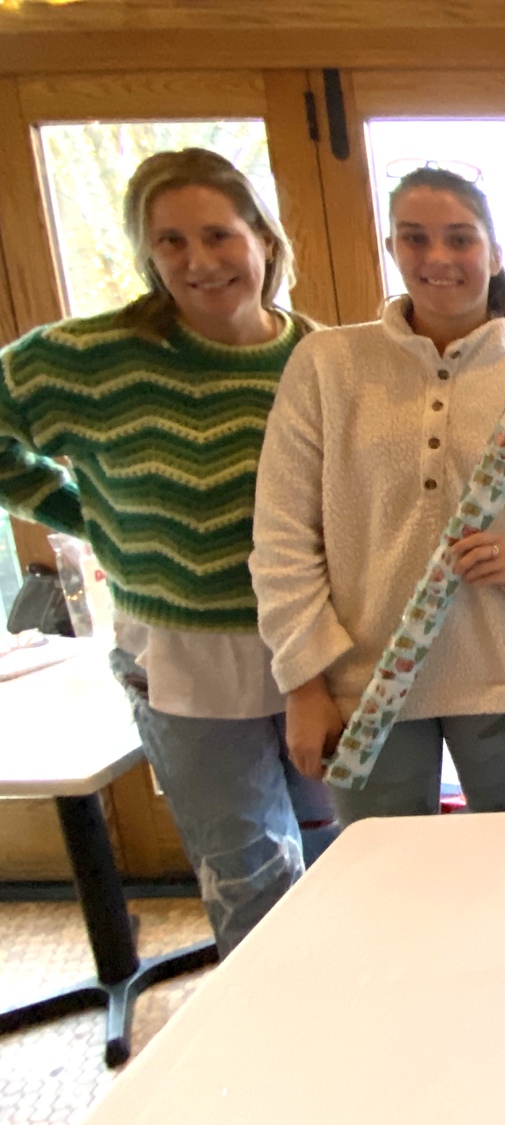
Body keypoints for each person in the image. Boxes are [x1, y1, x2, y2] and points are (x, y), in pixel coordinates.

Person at [0, 148, 332, 955]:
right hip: (183, 662)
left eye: (218, 234)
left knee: (338, 854)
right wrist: (90, 516)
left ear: (261, 238)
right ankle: (268, 1039)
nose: (200, 261)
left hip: (320, 650)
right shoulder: (87, 358)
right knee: (247, 869)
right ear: (148, 254)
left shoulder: (323, 358)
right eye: (172, 242)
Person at [251, 167, 505, 822]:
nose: (438, 257)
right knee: (386, 880)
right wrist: (303, 681)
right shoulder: (327, 366)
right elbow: (282, 537)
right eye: (415, 238)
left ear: (494, 255)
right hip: (364, 682)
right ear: (392, 248)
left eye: (460, 238)